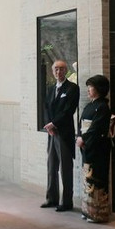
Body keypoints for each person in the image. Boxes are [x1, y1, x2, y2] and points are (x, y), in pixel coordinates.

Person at [42, 60, 80, 211]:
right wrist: (48, 125)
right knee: (51, 166)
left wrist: (54, 124)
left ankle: (66, 202)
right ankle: (52, 199)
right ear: (53, 72)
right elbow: (46, 108)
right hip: (51, 133)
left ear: (66, 71)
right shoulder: (51, 88)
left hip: (64, 133)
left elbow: (69, 110)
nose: (59, 72)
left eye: (62, 69)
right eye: (56, 69)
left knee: (65, 168)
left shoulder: (72, 88)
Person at [76, 74, 112, 223]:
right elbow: (81, 124)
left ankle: (97, 213)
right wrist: (79, 136)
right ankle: (87, 210)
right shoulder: (90, 105)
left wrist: (83, 138)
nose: (88, 90)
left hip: (98, 147)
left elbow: (96, 128)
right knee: (87, 179)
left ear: (99, 89)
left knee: (96, 178)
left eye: (91, 87)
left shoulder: (103, 107)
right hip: (87, 146)